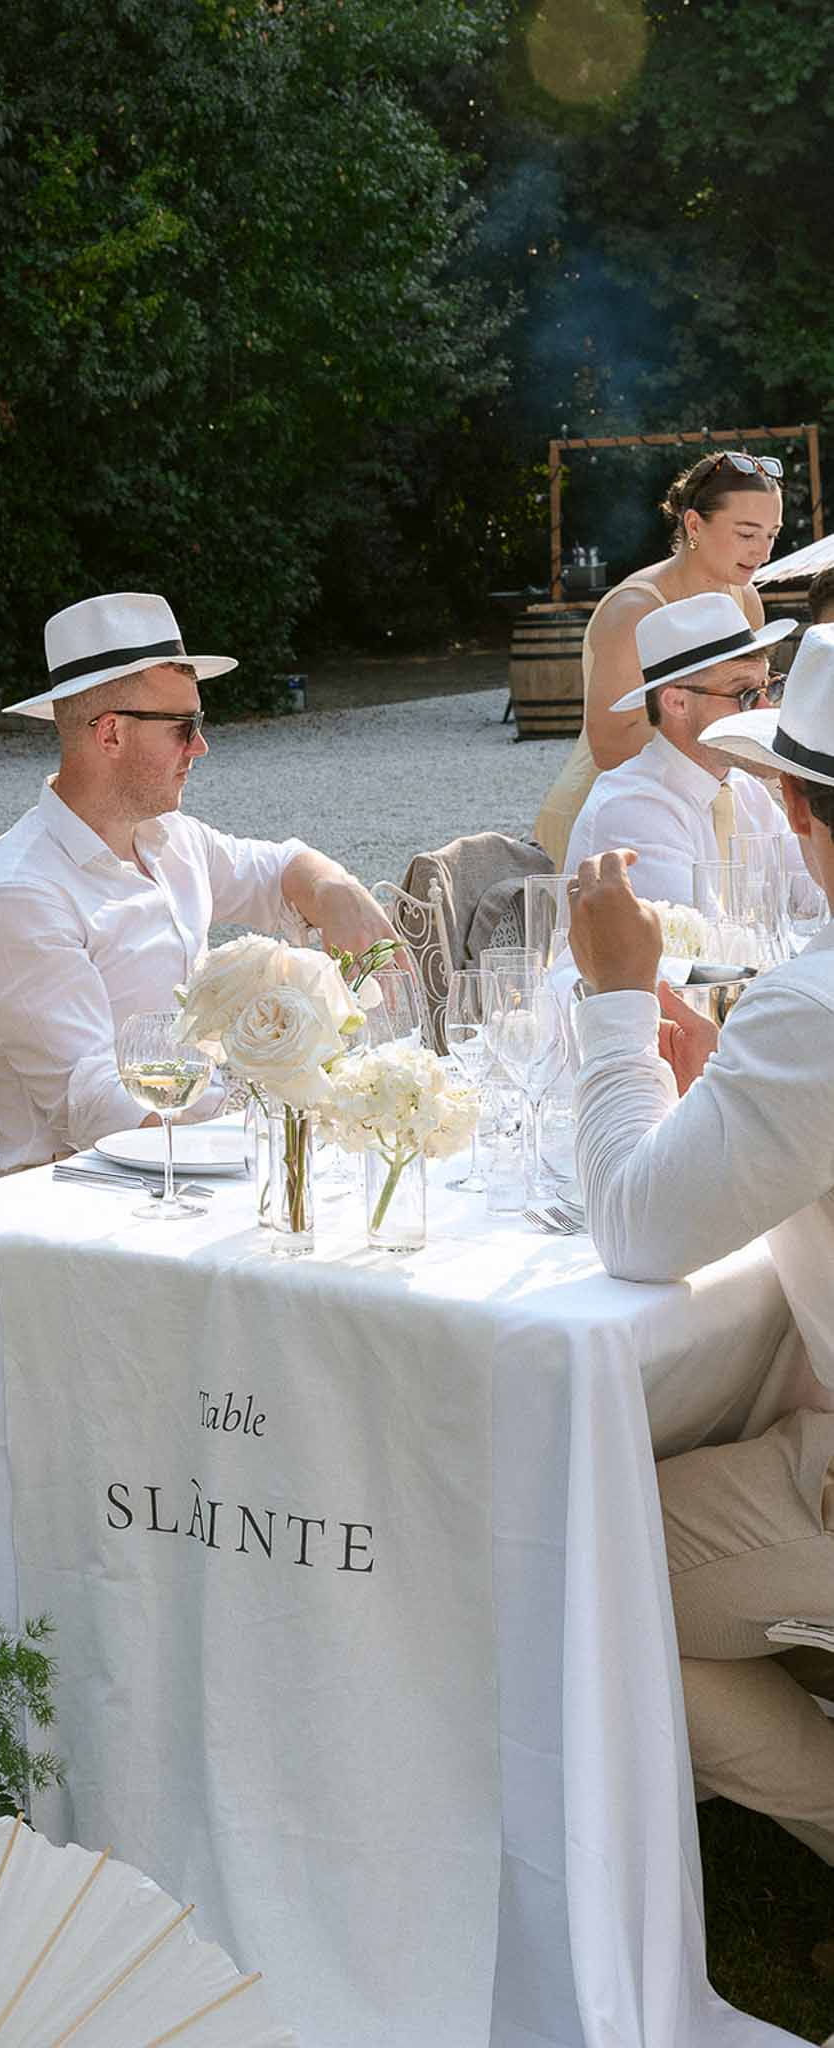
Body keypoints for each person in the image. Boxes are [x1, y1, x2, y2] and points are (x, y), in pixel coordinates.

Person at [566, 620, 834, 1865]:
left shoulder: (817, 1008)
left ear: (795, 803)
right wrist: (732, 1088)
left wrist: (614, 994)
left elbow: (629, 1226)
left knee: (580, 1567)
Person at [0, 591, 400, 1173]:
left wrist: (336, 889)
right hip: (84, 1201)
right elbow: (93, 1102)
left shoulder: (168, 837)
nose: (201, 746)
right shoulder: (17, 895)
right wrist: (277, 1112)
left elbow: (277, 868)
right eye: (185, 727)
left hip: (205, 1161)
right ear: (110, 734)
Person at [534, 451, 785, 865]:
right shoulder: (632, 609)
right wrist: (735, 750)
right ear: (693, 525)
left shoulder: (745, 599)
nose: (762, 552)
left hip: (702, 795)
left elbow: (741, 698)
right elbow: (609, 746)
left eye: (771, 535)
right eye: (746, 534)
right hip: (616, 809)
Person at [561, 590, 796, 908]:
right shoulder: (632, 808)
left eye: (771, 687)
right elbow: (703, 946)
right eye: (747, 694)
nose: (767, 708)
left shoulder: (747, 793)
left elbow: (817, 893)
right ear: (677, 702)